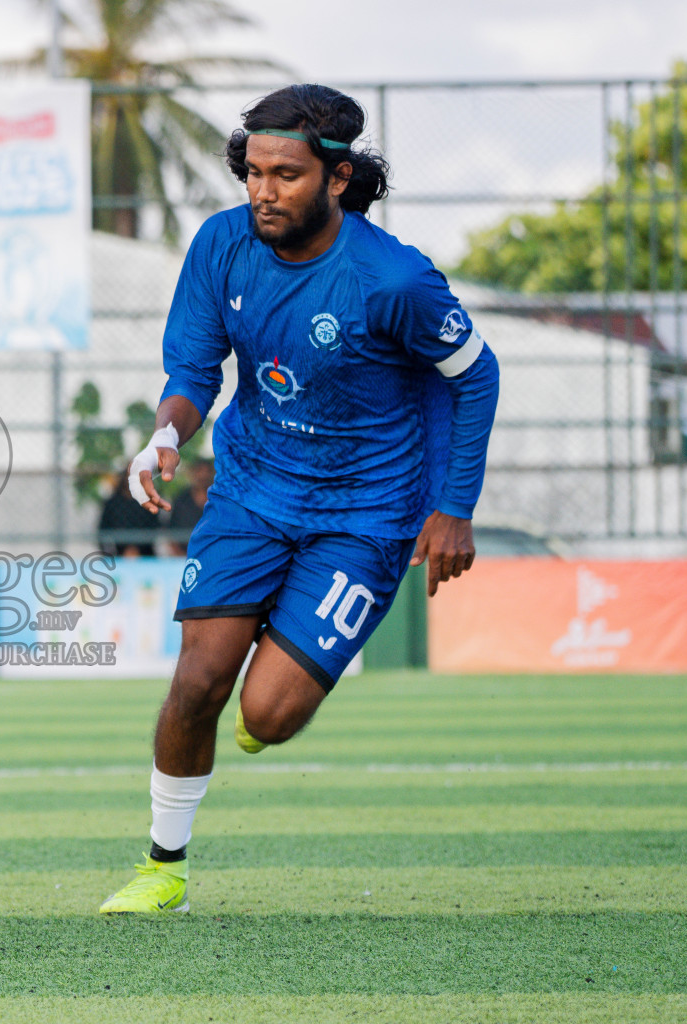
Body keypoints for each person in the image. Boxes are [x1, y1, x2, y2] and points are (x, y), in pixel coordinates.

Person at [98, 84, 500, 915]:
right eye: (251, 173)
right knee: (198, 679)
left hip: (368, 513)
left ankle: (275, 696)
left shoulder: (394, 280)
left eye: (284, 175)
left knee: (268, 716)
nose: (263, 192)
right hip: (251, 490)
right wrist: (169, 433)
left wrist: (454, 509)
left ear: (338, 178)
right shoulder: (220, 246)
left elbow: (477, 377)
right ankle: (161, 866)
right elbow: (194, 372)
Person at [96, 469, 156, 557]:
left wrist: (137, 549)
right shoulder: (113, 504)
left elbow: (155, 529)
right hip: (118, 554)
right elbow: (103, 531)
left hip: (145, 554)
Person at [164, 459, 215, 557]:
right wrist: (179, 554)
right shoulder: (181, 500)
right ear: (193, 473)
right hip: (183, 555)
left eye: (206, 472)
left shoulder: (218, 499)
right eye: (199, 471)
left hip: (213, 553)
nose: (203, 475)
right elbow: (170, 530)